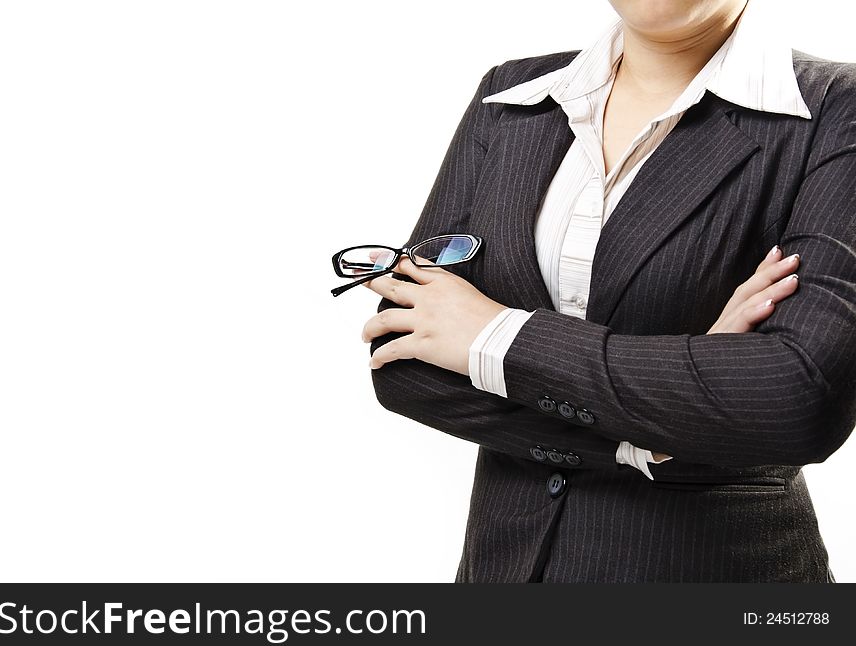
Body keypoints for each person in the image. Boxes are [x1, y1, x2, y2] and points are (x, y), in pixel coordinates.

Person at [360, 0, 855, 581]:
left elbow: (795, 398)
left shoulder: (832, 110)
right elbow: (404, 363)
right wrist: (650, 434)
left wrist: (493, 335)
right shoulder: (513, 95)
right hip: (504, 571)